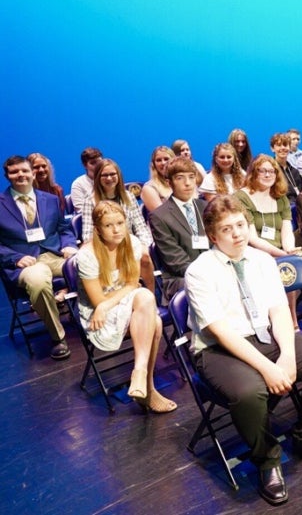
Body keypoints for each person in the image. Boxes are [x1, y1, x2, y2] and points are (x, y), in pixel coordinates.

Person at [185, 195, 302, 506]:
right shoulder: (199, 271)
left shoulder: (262, 260)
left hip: (266, 336)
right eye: (227, 229)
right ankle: (267, 459)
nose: (238, 234)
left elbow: (279, 312)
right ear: (213, 236)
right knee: (250, 392)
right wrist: (269, 368)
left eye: (241, 225)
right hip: (219, 349)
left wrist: (285, 354)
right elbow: (221, 331)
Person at [76, 200, 176, 413]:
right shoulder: (87, 255)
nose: (116, 229)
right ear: (98, 229)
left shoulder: (132, 243)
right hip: (99, 315)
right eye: (108, 225)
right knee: (155, 321)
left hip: (125, 301)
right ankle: (147, 387)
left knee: (144, 298)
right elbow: (98, 302)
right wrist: (104, 306)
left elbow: (132, 283)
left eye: (120, 223)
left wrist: (117, 298)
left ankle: (140, 374)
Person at [0, 155, 78, 359]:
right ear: (7, 176)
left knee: (86, 265)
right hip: (23, 263)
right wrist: (14, 257)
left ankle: (98, 321)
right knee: (38, 279)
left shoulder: (50, 200)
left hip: (52, 255)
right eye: (14, 172)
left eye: (24, 170)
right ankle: (58, 338)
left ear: (33, 173)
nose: (20, 175)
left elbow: (64, 229)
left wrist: (69, 246)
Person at [235, 155, 302, 328]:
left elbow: (286, 229)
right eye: (263, 171)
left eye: (272, 171)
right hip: (257, 252)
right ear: (253, 173)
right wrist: (283, 255)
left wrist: (289, 249)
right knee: (286, 269)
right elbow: (251, 238)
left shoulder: (280, 197)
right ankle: (292, 322)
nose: (268, 175)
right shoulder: (242, 198)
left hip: (283, 247)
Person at [81, 159, 155, 289]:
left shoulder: (129, 197)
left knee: (144, 255)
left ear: (118, 176)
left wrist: (144, 244)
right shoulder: (90, 201)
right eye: (104, 175)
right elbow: (88, 235)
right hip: (106, 246)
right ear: (98, 177)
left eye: (113, 174)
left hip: (131, 243)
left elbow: (140, 226)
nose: (109, 178)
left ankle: (151, 296)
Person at [148, 156, 209, 303]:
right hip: (180, 278)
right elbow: (175, 260)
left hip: (212, 271)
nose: (187, 183)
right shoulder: (159, 216)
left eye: (191, 177)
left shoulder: (205, 208)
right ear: (169, 182)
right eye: (180, 178)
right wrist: (208, 275)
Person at [140, 146, 176, 213]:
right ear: (154, 165)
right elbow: (162, 216)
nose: (163, 163)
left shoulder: (182, 183)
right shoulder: (149, 188)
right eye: (158, 160)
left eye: (166, 159)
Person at [270, 133, 302, 200]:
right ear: (272, 149)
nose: (283, 148)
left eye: (285, 145)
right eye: (279, 145)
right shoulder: (270, 170)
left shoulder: (295, 171)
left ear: (289, 147)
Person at [70, 147, 104, 214]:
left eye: (99, 162)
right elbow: (80, 211)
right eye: (93, 163)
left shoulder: (109, 178)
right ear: (85, 165)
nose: (97, 166)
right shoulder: (78, 184)